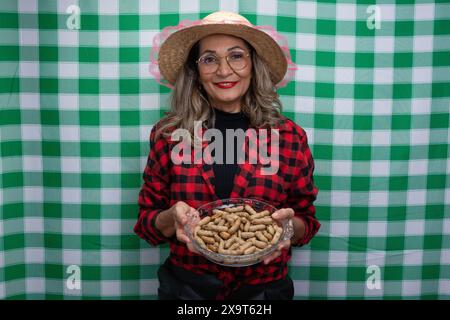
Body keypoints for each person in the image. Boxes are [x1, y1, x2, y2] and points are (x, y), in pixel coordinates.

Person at [134, 11, 320, 300]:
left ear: (253, 65)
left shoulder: (290, 138)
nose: (223, 70)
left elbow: (306, 220)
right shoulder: (168, 135)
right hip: (187, 291)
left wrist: (288, 229)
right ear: (195, 72)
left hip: (265, 292)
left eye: (236, 56)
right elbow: (147, 223)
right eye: (209, 59)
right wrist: (171, 217)